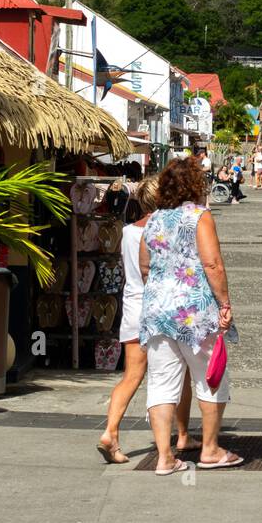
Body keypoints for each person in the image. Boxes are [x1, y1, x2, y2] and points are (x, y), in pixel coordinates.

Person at [139, 157, 242, 473]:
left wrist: (161, 293)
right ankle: (210, 450)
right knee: (210, 378)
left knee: (161, 383)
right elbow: (212, 264)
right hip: (195, 312)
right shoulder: (200, 217)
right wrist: (224, 303)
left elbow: (145, 265)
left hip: (157, 312)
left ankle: (165, 457)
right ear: (196, 185)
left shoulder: (153, 219)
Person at [97, 176, 195, 463]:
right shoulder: (164, 230)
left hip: (131, 307)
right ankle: (183, 434)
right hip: (160, 308)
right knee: (181, 372)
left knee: (132, 376)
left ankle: (110, 431)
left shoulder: (128, 231)